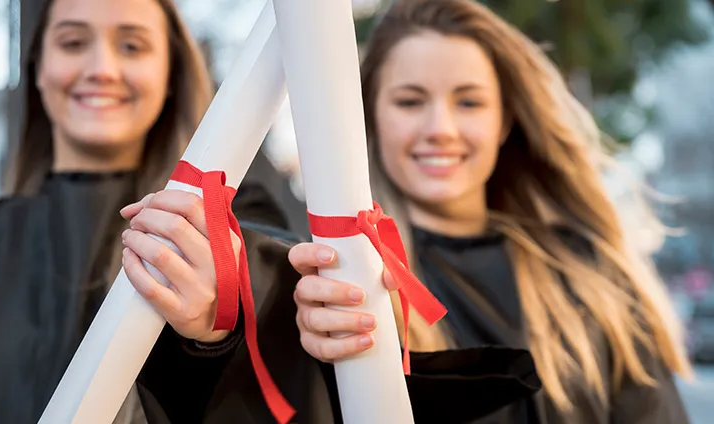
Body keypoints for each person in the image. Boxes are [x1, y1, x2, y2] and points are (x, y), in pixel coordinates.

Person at [0, 0, 541, 423]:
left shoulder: (252, 227)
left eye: (132, 44)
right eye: (73, 42)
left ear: (170, 68)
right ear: (37, 65)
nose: (101, 66)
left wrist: (216, 332)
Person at [290, 0, 693, 422]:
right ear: (371, 117)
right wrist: (309, 358)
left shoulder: (592, 278)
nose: (440, 129)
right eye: (410, 102)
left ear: (504, 120)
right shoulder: (336, 286)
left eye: (469, 103)